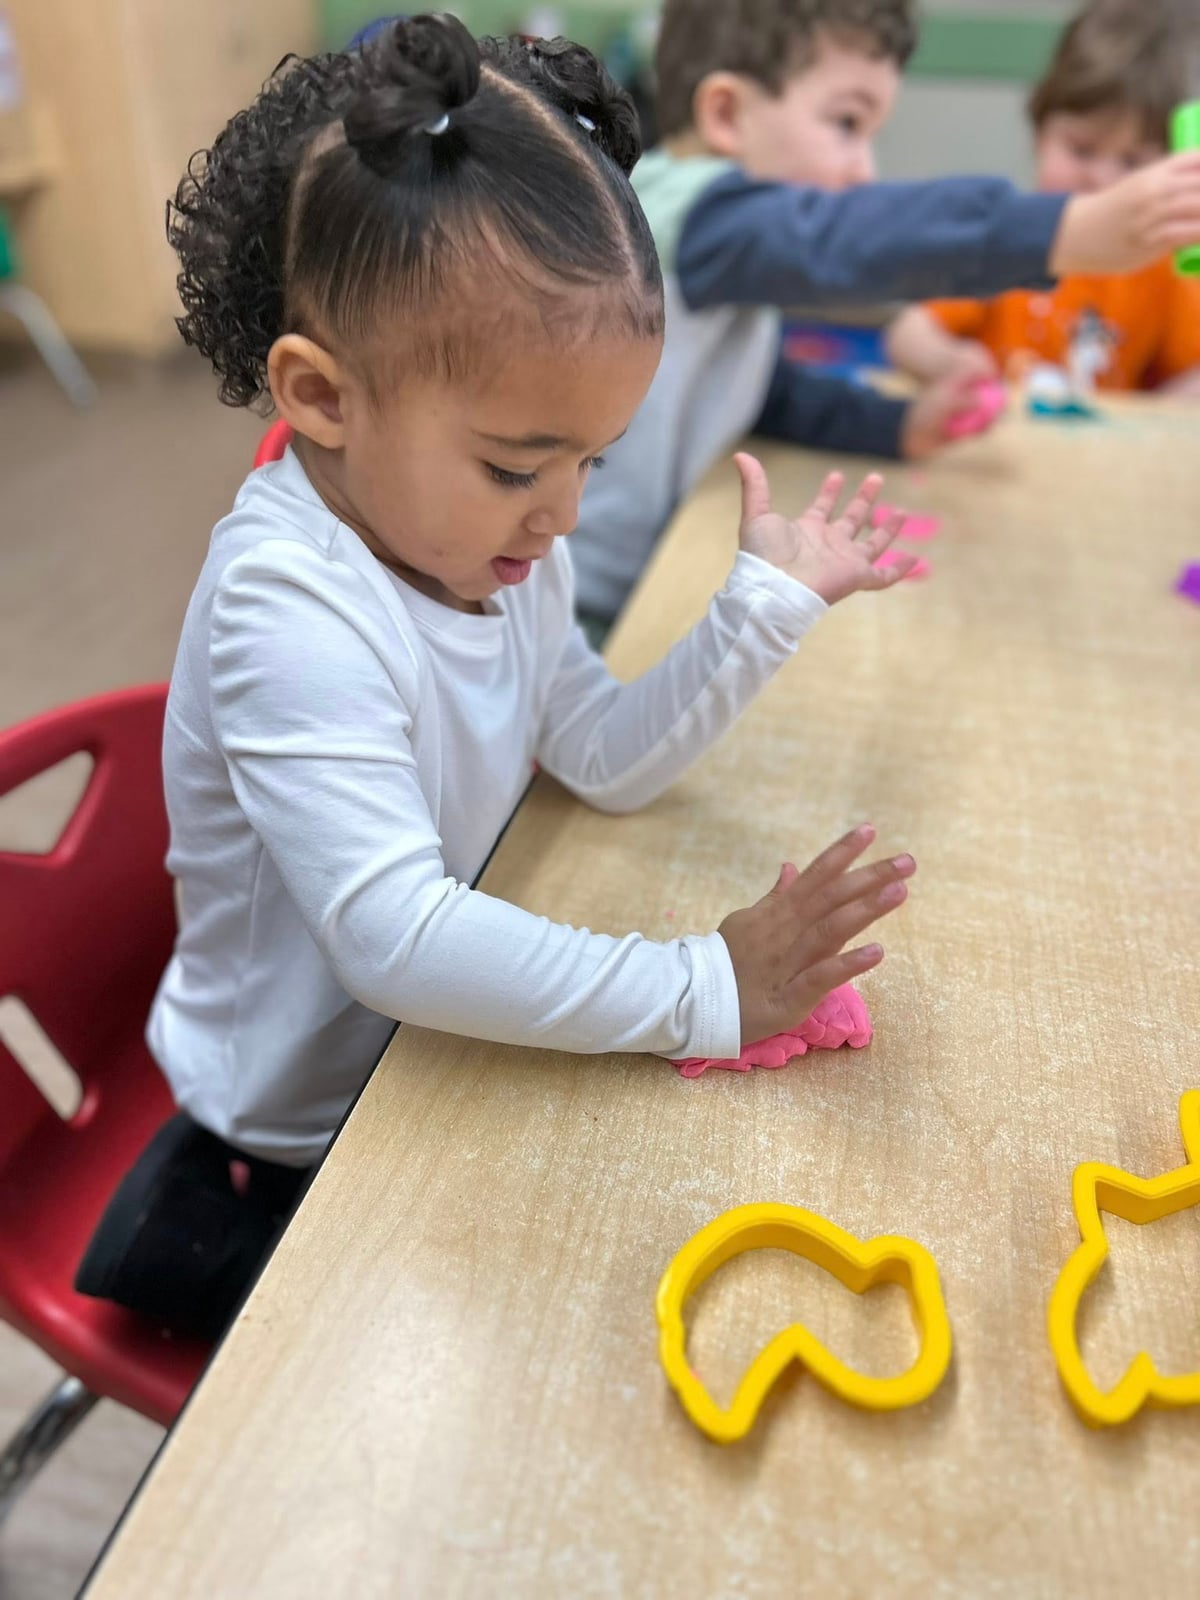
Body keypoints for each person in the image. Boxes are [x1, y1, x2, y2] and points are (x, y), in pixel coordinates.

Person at [75, 16, 919, 1340]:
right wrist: (706, 988)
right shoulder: (289, 609)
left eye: (593, 459)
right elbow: (398, 942)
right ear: (322, 394)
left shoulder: (477, 544)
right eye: (520, 465)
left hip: (419, 1060)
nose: (563, 515)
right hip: (293, 1133)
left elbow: (594, 748)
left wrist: (759, 610)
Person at [568, 0, 1200, 628]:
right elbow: (846, 236)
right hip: (581, 602)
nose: (863, 169)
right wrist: (1066, 229)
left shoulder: (724, 254)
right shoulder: (692, 216)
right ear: (727, 114)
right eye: (847, 123)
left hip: (646, 575)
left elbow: (760, 391)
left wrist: (898, 426)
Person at [888, 0, 1200, 397]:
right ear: (1039, 136)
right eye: (1082, 150)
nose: (1100, 179)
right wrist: (951, 363)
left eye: (1132, 162)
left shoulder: (1164, 268)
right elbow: (908, 334)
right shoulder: (1006, 236)